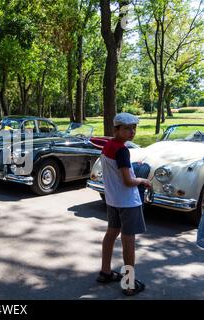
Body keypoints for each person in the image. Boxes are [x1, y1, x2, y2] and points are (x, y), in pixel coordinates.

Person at [97, 112, 152, 296]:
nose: (132, 132)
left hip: (112, 200)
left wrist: (129, 167)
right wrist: (142, 180)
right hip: (128, 202)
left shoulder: (108, 146)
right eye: (127, 128)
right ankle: (129, 284)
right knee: (129, 242)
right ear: (116, 129)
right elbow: (128, 181)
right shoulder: (122, 150)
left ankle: (105, 272)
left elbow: (116, 171)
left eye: (134, 128)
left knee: (111, 234)